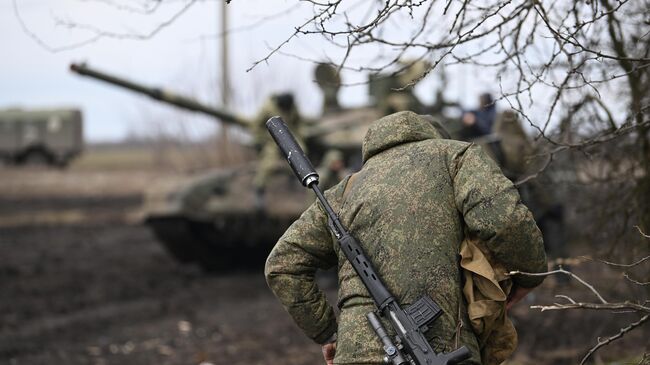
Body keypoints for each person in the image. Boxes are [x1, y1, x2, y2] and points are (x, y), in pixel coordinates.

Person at [265, 111, 547, 365]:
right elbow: (506, 220)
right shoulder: (456, 157)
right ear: (433, 137)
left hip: (357, 356)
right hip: (442, 348)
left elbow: (282, 265)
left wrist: (328, 333)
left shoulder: (344, 191)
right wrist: (529, 275)